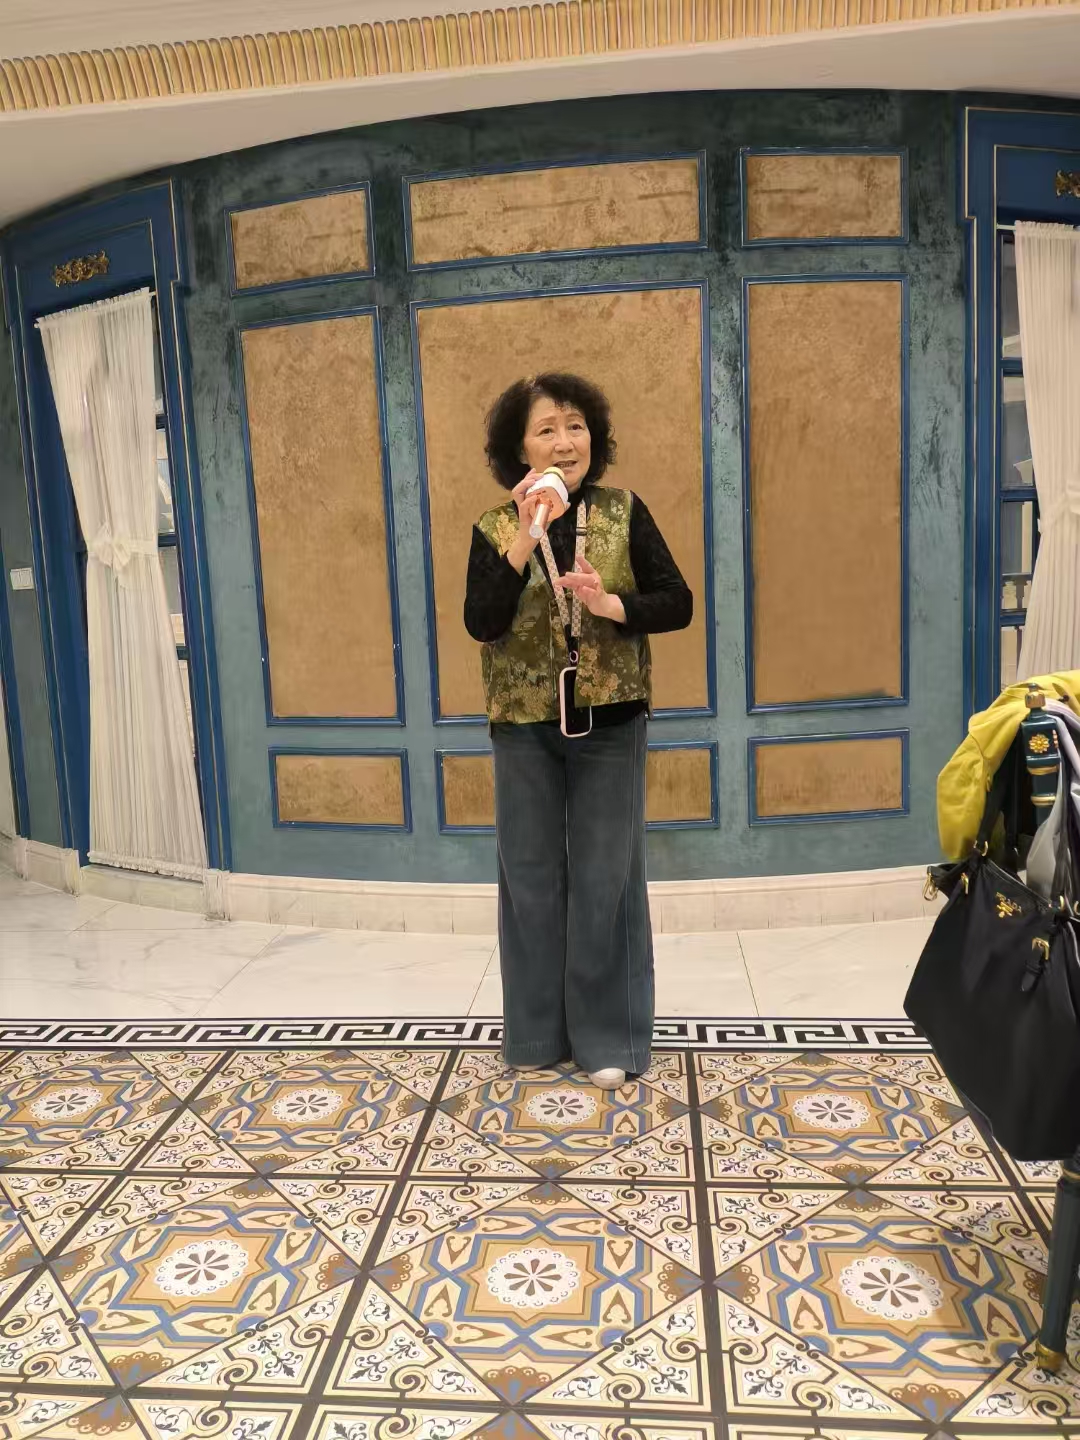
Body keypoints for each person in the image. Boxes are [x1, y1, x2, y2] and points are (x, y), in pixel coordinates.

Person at [464, 372, 693, 1088]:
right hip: (522, 723)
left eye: (576, 427)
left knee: (606, 879)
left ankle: (610, 1038)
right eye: (547, 430)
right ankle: (534, 1032)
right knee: (529, 878)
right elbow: (482, 622)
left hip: (611, 718)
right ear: (519, 448)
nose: (565, 442)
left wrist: (611, 604)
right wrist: (522, 540)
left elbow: (677, 602)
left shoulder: (624, 511)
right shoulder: (493, 528)